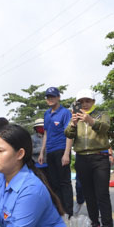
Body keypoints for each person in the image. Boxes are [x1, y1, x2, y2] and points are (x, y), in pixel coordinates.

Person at [65, 89, 114, 227]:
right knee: (89, 195)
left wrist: (90, 120)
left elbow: (105, 127)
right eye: (81, 102)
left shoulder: (101, 114)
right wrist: (73, 124)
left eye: (88, 101)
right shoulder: (75, 117)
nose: (85, 104)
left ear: (93, 101)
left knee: (102, 193)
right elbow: (67, 134)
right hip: (81, 158)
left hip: (100, 157)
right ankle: (95, 224)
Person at [38, 87, 74, 217]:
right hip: (50, 151)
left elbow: (69, 133)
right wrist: (42, 152)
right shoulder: (47, 114)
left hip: (61, 150)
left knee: (64, 182)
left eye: (53, 96)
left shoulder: (65, 113)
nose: (50, 99)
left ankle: (69, 212)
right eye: (48, 97)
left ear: (58, 97)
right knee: (54, 183)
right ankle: (60, 211)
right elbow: (46, 133)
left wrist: (66, 153)